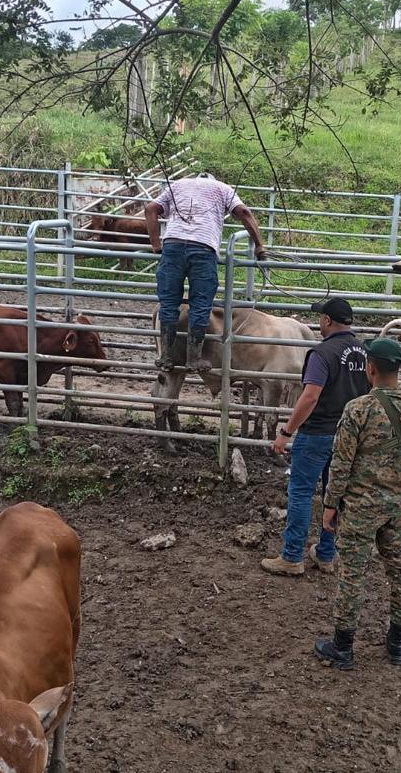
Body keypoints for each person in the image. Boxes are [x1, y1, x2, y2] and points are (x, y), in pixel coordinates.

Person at [313, 338, 401, 670]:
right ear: (399, 368)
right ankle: (397, 644)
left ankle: (342, 647)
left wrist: (330, 503)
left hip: (361, 508)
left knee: (353, 574)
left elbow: (341, 463)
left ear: (370, 369)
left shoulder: (358, 409)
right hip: (399, 505)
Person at [262, 297, 370, 576]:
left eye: (321, 318)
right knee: (335, 495)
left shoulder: (322, 353)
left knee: (300, 493)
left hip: (317, 433)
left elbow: (310, 397)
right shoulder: (365, 351)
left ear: (327, 321)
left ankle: (292, 556)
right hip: (348, 435)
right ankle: (326, 553)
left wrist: (286, 432)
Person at [146, 173, 266, 373]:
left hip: (173, 246)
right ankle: (194, 358)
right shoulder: (222, 188)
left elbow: (151, 209)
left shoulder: (178, 185)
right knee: (200, 304)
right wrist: (260, 245)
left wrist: (156, 245)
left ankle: (166, 355)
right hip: (203, 248)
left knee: (168, 303)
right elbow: (244, 212)